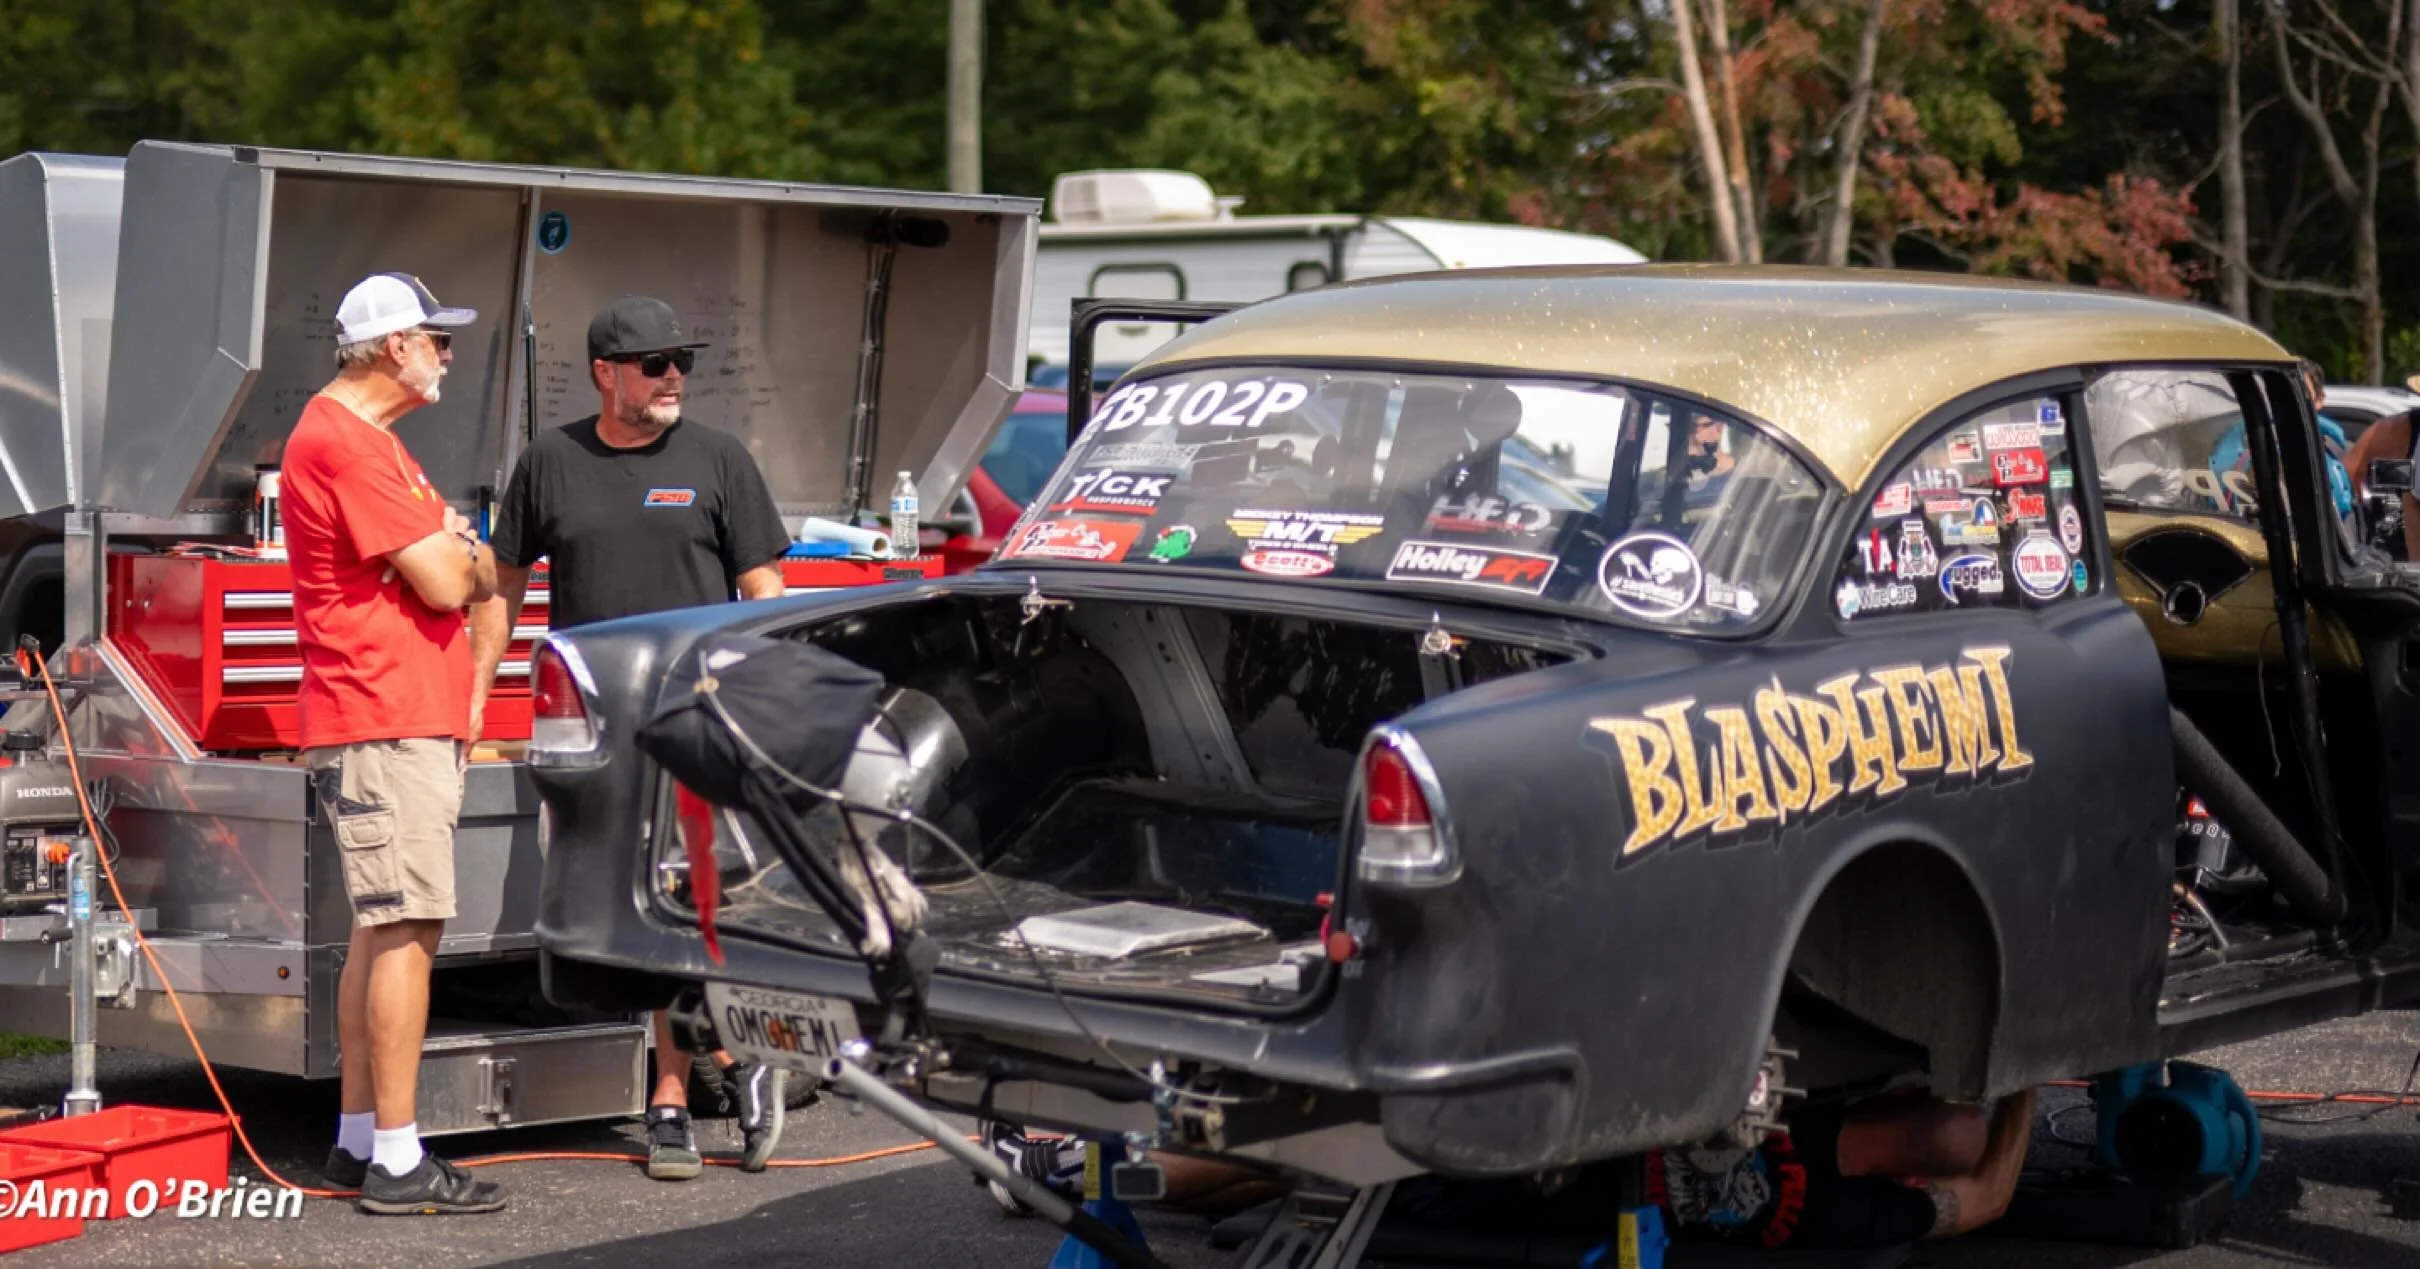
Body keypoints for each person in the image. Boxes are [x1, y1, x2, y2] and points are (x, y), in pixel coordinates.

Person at [472, 294, 796, 1180]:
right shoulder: (550, 462)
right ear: (606, 373)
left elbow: (765, 587)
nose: (672, 377)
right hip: (588, 726)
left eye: (680, 359)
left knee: (683, 908)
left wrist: (758, 696)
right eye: (653, 364)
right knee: (611, 916)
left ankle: (671, 1102)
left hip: (695, 720)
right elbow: (501, 583)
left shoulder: (717, 458)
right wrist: (476, 695)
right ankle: (737, 1062)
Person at [283, 272, 504, 1215]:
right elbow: (455, 581)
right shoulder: (348, 443)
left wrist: (463, 550)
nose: (448, 354)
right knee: (408, 926)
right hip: (384, 714)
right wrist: (462, 551)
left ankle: (360, 1140)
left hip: (388, 712)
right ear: (390, 348)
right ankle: (401, 1162)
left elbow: (465, 560)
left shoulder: (364, 440)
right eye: (436, 338)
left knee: (384, 927)